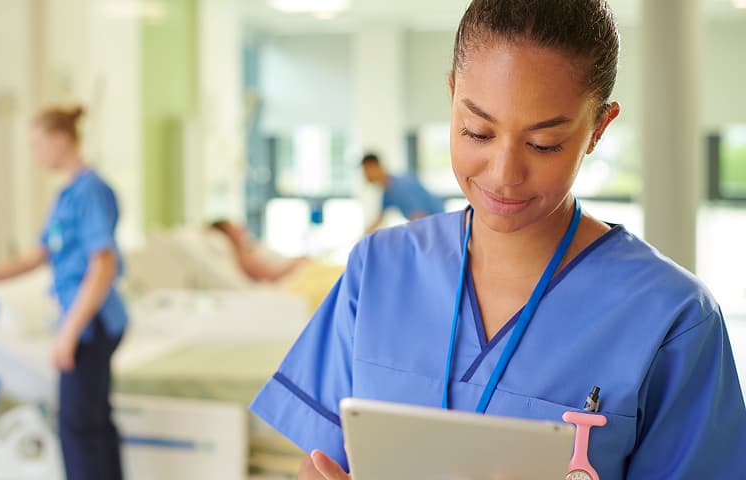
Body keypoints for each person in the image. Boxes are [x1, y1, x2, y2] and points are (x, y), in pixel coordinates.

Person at [249, 1, 746, 479]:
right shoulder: (378, 269)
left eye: (543, 143)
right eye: (477, 132)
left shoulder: (672, 318)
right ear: (451, 98)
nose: (505, 175)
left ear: (597, 128)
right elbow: (317, 463)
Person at [0, 106, 126, 480]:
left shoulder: (91, 191)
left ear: (60, 140)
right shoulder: (67, 195)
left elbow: (103, 266)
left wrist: (69, 333)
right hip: (86, 322)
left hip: (92, 323)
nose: (35, 154)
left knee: (77, 428)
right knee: (93, 422)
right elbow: (35, 257)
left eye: (37, 144)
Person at [361, 152, 444, 233]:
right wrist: (363, 237)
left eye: (365, 170)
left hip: (437, 226)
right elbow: (379, 219)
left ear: (374, 167)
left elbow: (419, 218)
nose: (364, 175)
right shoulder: (388, 192)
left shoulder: (402, 186)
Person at [210, 219, 307, 282]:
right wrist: (298, 262)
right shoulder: (244, 257)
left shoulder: (249, 248)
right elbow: (271, 274)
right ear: (227, 233)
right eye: (232, 227)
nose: (239, 227)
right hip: (296, 276)